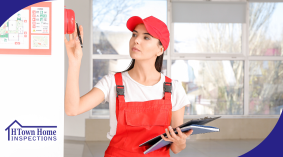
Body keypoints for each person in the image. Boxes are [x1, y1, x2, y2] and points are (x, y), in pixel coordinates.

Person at [64, 15, 193, 157]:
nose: (136, 40)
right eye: (134, 35)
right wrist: (74, 62)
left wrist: (181, 142)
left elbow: (175, 148)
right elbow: (72, 109)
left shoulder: (173, 89)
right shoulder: (112, 83)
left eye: (146, 37)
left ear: (160, 50)